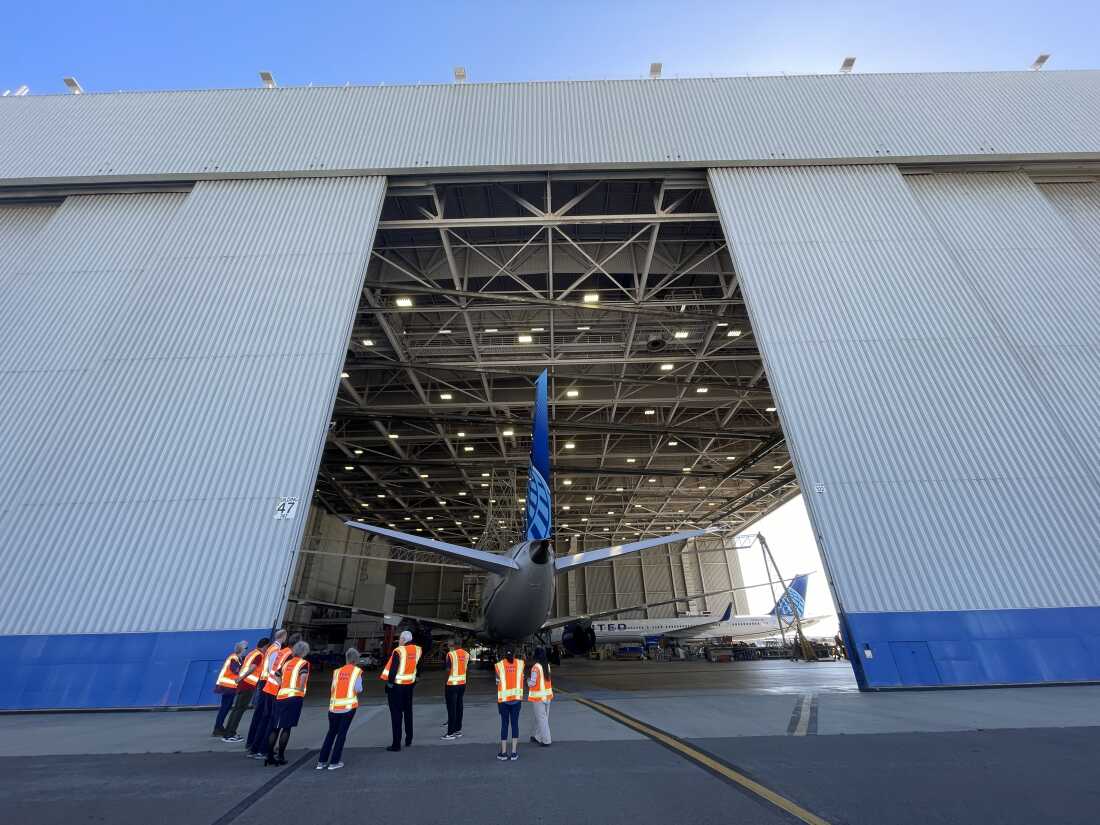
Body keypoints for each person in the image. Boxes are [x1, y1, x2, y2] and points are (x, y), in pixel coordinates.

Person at [249, 631, 299, 759]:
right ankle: (264, 749)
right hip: (275, 690)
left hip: (268, 687)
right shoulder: (288, 654)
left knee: (265, 719)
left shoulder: (280, 651)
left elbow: (271, 669)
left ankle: (255, 748)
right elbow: (280, 673)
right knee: (273, 722)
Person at [317, 648, 363, 771]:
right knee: (341, 735)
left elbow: (333, 687)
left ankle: (321, 761)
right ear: (356, 659)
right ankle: (334, 762)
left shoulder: (337, 672)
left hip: (333, 708)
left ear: (347, 658)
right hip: (347, 708)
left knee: (331, 733)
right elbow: (358, 689)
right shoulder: (356, 671)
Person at [265, 640, 311, 766]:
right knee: (286, 727)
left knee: (275, 727)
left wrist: (282, 684)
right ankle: (280, 755)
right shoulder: (303, 663)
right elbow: (303, 676)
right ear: (304, 652)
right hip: (293, 697)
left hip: (281, 697)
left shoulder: (287, 663)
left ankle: (269, 756)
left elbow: (276, 674)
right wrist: (300, 688)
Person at [245, 629, 286, 756]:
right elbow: (272, 670)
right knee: (266, 716)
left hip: (264, 682)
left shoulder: (270, 648)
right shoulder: (276, 649)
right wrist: (281, 683)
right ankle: (260, 746)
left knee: (261, 715)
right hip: (268, 684)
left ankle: (252, 743)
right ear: (283, 637)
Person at [381, 630, 421, 752]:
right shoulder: (417, 650)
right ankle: (409, 739)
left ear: (403, 639)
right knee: (408, 713)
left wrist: (389, 684)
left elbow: (393, 671)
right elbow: (418, 667)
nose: (399, 641)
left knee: (396, 715)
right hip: (409, 686)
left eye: (400, 639)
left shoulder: (399, 651)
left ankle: (396, 744)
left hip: (397, 688)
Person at [221, 637, 268, 743]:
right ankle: (230, 734)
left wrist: (241, 678)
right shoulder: (259, 655)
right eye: (267, 648)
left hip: (243, 684)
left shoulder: (252, 652)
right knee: (239, 710)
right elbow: (252, 668)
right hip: (248, 684)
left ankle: (228, 732)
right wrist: (241, 678)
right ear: (265, 646)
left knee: (236, 709)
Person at [212, 640, 248, 736]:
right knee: (225, 708)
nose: (246, 650)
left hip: (229, 687)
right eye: (246, 648)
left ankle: (219, 727)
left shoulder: (236, 658)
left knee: (225, 708)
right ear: (241, 649)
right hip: (228, 687)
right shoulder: (234, 658)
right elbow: (235, 670)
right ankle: (217, 728)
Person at [494, 648, 525, 761]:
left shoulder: (499, 666)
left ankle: (503, 752)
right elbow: (522, 677)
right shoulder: (521, 664)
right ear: (514, 654)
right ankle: (514, 752)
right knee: (515, 724)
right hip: (516, 700)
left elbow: (497, 682)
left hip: (504, 701)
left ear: (504, 656)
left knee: (504, 725)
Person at [441, 637, 469, 740]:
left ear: (454, 645)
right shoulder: (466, 654)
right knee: (459, 706)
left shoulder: (450, 655)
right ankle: (458, 730)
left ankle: (450, 733)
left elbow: (448, 670)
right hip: (462, 683)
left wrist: (446, 682)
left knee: (451, 708)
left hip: (452, 684)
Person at [527, 646, 553, 747]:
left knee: (541, 719)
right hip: (547, 696)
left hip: (538, 698)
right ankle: (538, 736)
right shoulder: (547, 666)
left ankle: (546, 740)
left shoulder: (535, 667)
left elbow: (532, 683)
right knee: (543, 717)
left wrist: (527, 681)